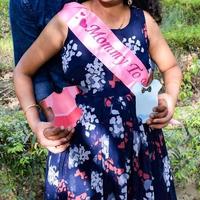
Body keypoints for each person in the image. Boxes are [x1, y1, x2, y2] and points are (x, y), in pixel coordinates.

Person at [13, 0, 182, 199]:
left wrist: (170, 98)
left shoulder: (143, 21)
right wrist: (35, 123)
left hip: (140, 151)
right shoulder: (67, 20)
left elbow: (171, 67)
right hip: (81, 154)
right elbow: (22, 71)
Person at [9, 0, 75, 153]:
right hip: (71, 128)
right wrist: (40, 125)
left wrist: (143, 112)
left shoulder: (140, 17)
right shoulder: (62, 20)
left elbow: (141, 72)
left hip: (130, 131)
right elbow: (26, 71)